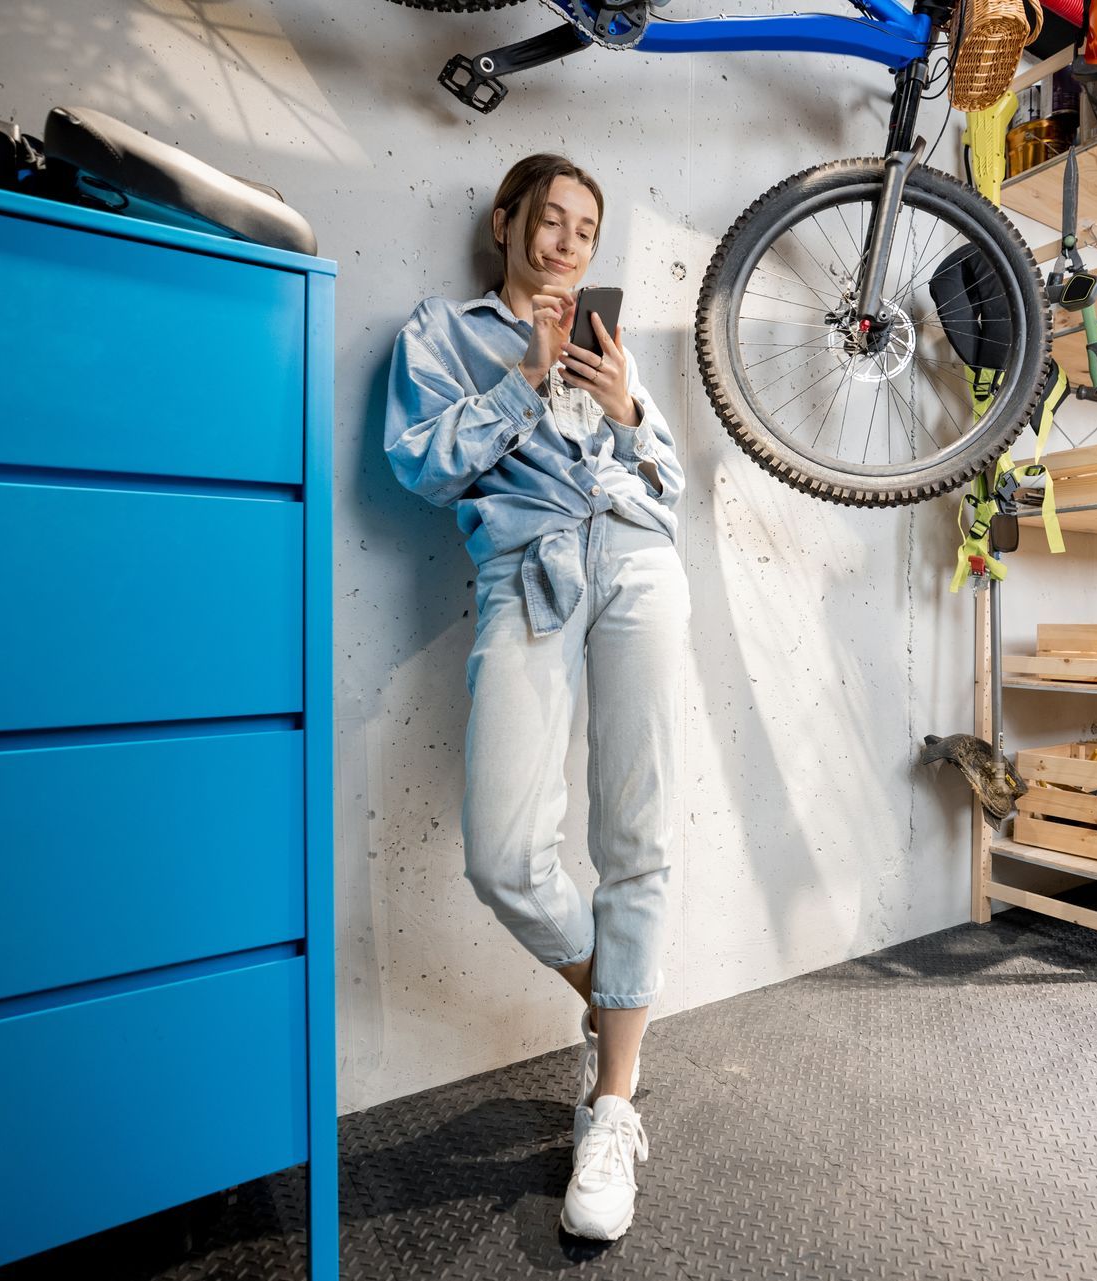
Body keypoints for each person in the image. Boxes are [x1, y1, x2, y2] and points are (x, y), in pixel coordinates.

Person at [384, 153, 688, 1241]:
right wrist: (523, 378)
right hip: (530, 571)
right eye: (549, 220)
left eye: (585, 229)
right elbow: (418, 467)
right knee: (504, 851)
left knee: (638, 832)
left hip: (640, 564)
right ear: (508, 223)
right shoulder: (444, 332)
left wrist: (630, 409)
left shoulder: (610, 343)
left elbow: (673, 486)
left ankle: (612, 1105)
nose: (566, 242)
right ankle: (623, 1013)